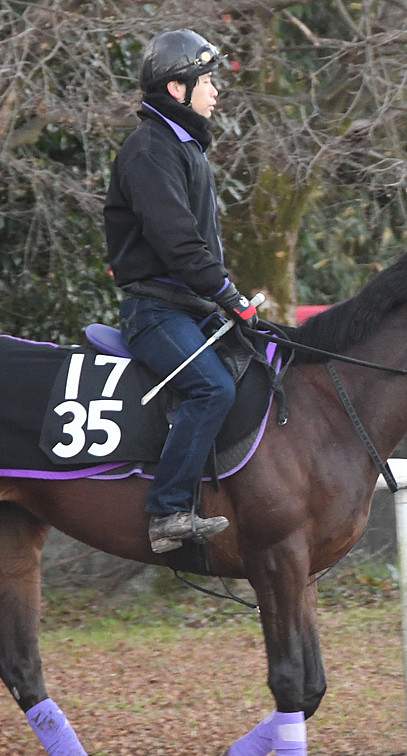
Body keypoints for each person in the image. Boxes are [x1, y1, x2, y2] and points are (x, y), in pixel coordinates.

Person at [104, 29, 259, 554]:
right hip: (154, 313)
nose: (215, 91)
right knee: (212, 388)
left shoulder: (180, 144)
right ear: (177, 90)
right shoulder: (150, 150)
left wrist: (225, 296)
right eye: (207, 81)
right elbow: (178, 243)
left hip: (189, 309)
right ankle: (168, 511)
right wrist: (230, 295)